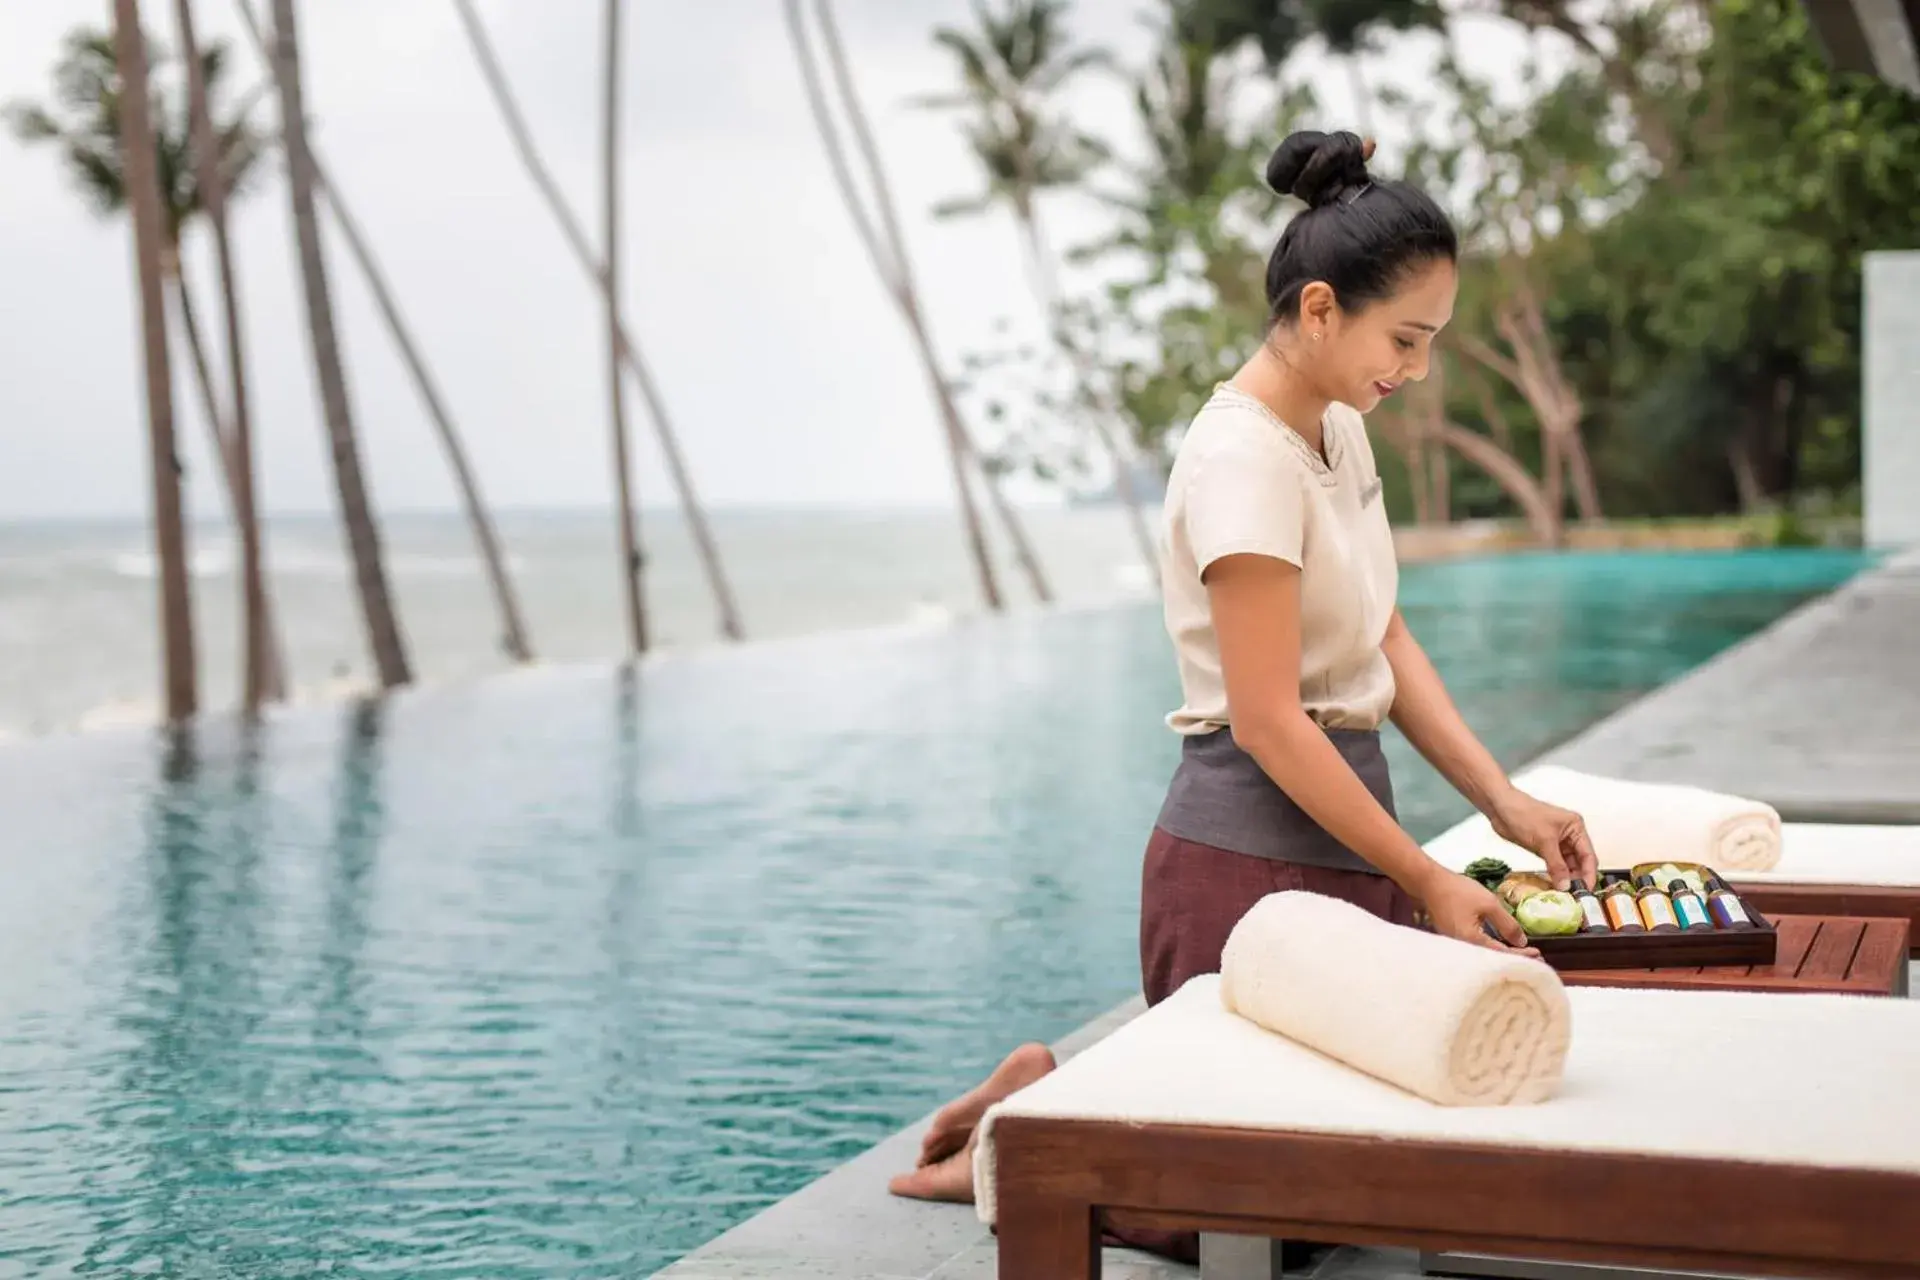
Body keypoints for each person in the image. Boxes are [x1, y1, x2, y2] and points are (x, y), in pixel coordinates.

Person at [887, 129, 1598, 1261]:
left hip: (1349, 841)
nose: (1413, 370)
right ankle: (1024, 1125)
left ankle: (1067, 1098)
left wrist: (1501, 798)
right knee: (1260, 1216)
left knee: (1377, 1173)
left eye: (1429, 343)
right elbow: (1268, 717)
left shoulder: (1340, 432)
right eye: (1403, 339)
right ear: (1320, 308)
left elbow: (1384, 631)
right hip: (1246, 866)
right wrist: (1426, 873)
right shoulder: (1242, 461)